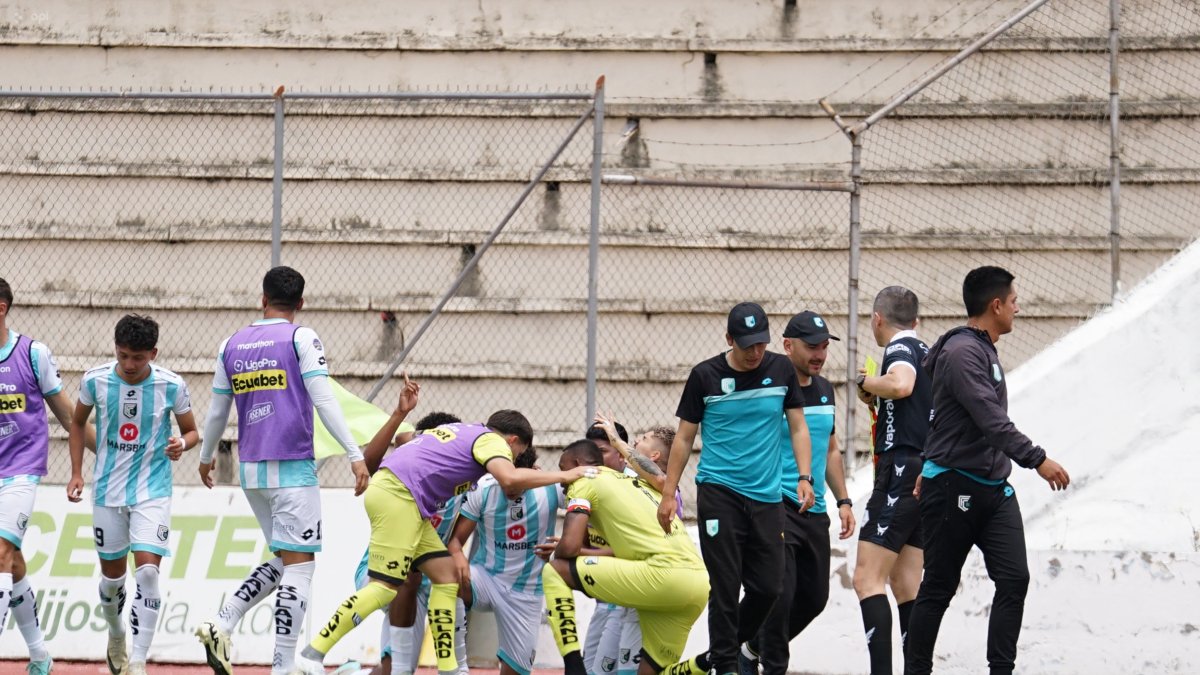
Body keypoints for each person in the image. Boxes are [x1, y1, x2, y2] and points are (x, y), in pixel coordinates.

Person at [292, 404, 593, 675]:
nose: (512, 460)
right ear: (512, 442)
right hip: (400, 498)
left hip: (413, 505)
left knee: (447, 577)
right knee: (385, 589)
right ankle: (312, 654)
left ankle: (449, 669)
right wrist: (566, 476)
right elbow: (510, 478)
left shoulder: (461, 435)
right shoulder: (490, 442)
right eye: (515, 455)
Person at [195, 266, 371, 675]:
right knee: (301, 566)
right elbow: (324, 398)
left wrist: (205, 458)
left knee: (285, 558)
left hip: (251, 470)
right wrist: (354, 453)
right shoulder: (301, 337)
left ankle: (222, 622)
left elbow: (218, 410)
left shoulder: (231, 344)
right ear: (301, 303)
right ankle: (282, 665)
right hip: (292, 468)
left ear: (262, 298)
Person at [905, 266, 1070, 675]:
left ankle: (1001, 670)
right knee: (939, 588)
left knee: (1014, 579)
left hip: (994, 490)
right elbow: (989, 419)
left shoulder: (982, 349)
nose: (1018, 308)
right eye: (1014, 301)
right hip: (954, 488)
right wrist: (1037, 459)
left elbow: (946, 419)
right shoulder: (963, 353)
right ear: (996, 305)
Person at [659, 302, 814, 675]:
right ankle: (725, 666)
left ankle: (723, 650)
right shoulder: (705, 376)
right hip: (719, 493)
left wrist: (805, 476)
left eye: (760, 343)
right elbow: (683, 439)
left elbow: (798, 427)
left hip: (766, 497)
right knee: (725, 587)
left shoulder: (780, 370)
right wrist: (668, 493)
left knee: (769, 588)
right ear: (729, 339)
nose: (755, 352)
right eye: (747, 345)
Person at [67, 314, 199, 675]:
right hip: (107, 491)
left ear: (152, 353)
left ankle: (138, 662)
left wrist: (180, 444)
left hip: (152, 492)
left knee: (149, 575)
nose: (128, 364)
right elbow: (78, 423)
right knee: (112, 582)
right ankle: (116, 634)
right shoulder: (95, 380)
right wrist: (77, 472)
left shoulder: (172, 386)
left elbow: (192, 432)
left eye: (137, 357)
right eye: (123, 355)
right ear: (116, 349)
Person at [744, 310, 855, 675]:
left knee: (815, 598)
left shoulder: (825, 390)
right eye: (811, 346)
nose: (820, 354)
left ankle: (751, 647)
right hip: (775, 504)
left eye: (824, 346)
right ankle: (773, 666)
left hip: (815, 510)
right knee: (781, 593)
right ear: (788, 345)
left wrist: (843, 500)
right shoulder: (767, 387)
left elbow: (832, 448)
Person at [543, 440, 711, 675]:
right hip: (698, 583)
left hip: (662, 574)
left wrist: (556, 549)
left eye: (564, 468)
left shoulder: (584, 480)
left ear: (578, 464)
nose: (562, 480)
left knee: (555, 571)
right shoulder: (641, 484)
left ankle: (573, 666)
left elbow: (569, 547)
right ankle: (707, 662)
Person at [0, 278, 92, 675]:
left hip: (20, 471)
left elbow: (68, 414)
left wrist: (107, 456)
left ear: (1, 308)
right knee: (14, 562)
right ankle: (39, 656)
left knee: (1, 553)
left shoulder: (32, 354)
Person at [851, 287, 932, 674]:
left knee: (867, 578)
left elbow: (901, 385)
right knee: (906, 585)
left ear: (877, 319)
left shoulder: (899, 349)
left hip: (901, 469)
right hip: (927, 473)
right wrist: (877, 402)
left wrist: (869, 382)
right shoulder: (928, 352)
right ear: (916, 321)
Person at [356, 411, 467, 675]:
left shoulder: (466, 473)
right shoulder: (408, 465)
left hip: (433, 580)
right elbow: (369, 465)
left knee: (394, 669)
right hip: (384, 572)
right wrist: (400, 414)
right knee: (408, 579)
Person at [444, 448, 562, 675]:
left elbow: (595, 513)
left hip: (526, 592)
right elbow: (456, 541)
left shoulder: (551, 489)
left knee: (514, 672)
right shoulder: (484, 488)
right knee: (447, 577)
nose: (509, 486)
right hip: (486, 579)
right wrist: (457, 556)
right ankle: (457, 669)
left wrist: (564, 544)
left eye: (516, 482)